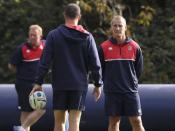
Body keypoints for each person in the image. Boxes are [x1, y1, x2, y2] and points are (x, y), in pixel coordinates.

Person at [31, 3, 103, 131]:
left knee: (59, 122)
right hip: (79, 85)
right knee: (74, 122)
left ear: (64, 15)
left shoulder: (53, 35)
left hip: (60, 84)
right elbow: (95, 64)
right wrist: (98, 84)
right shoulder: (87, 37)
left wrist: (38, 82)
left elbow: (44, 61)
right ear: (79, 16)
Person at [98, 15, 145, 131]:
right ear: (111, 28)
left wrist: (131, 83)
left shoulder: (135, 47)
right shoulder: (103, 47)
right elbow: (99, 70)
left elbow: (138, 70)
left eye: (120, 26)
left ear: (125, 27)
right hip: (112, 92)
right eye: (115, 25)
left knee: (137, 121)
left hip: (130, 91)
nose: (117, 28)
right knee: (114, 123)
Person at [8, 25, 46, 131]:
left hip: (37, 84)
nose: (32, 37)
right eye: (31, 35)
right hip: (23, 84)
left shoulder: (45, 46)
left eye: (35, 35)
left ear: (41, 36)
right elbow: (11, 65)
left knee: (41, 110)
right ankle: (24, 128)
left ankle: (21, 128)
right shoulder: (22, 49)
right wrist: (22, 72)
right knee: (26, 111)